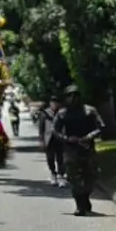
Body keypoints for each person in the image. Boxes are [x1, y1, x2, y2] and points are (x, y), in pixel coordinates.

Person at [51, 85, 105, 215]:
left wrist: (88, 137)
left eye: (75, 95)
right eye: (69, 96)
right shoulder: (62, 113)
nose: (73, 98)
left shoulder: (90, 111)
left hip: (87, 148)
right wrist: (67, 138)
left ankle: (85, 197)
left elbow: (100, 126)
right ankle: (79, 205)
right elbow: (55, 130)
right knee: (74, 178)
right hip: (71, 149)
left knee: (91, 175)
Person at [38, 96, 66, 186]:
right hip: (49, 138)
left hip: (60, 138)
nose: (54, 105)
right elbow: (41, 128)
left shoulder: (62, 113)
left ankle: (61, 175)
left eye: (56, 103)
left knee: (60, 157)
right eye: (53, 103)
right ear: (50, 103)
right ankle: (53, 173)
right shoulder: (45, 113)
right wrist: (41, 140)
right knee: (50, 158)